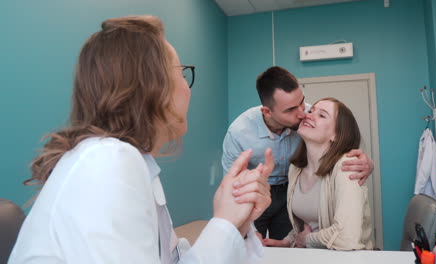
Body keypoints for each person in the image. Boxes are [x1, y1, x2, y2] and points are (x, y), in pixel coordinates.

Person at [8, 15, 274, 264]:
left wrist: (234, 221)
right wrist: (225, 222)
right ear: (153, 87)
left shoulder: (124, 163)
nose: (187, 89)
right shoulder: (107, 160)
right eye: (181, 73)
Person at [222, 66, 374, 241]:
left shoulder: (309, 117)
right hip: (256, 191)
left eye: (302, 102)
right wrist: (250, 229)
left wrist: (368, 163)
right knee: (249, 243)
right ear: (267, 112)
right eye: (291, 110)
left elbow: (341, 137)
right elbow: (233, 185)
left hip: (289, 189)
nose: (303, 114)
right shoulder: (239, 133)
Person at [263, 97, 373, 250]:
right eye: (311, 111)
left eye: (322, 115)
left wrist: (307, 240)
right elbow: (307, 225)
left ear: (336, 134)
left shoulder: (347, 166)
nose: (308, 115)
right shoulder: (295, 169)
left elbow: (347, 238)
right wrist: (288, 241)